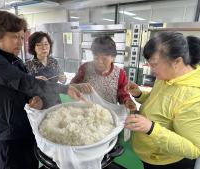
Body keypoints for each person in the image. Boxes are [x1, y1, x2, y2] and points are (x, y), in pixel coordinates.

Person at [0, 11, 82, 169]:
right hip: (7, 137)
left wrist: (36, 101)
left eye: (21, 37)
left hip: (26, 131)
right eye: (14, 37)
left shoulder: (16, 61)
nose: (19, 42)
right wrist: (64, 89)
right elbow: (24, 82)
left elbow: (26, 91)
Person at [125, 32, 200, 169]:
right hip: (149, 153)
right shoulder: (167, 76)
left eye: (154, 65)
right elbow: (160, 101)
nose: (152, 71)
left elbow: (193, 149)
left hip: (165, 162)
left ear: (177, 61)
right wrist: (139, 94)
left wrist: (151, 128)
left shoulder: (194, 97)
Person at [71, 36, 136, 111]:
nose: (99, 62)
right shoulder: (85, 68)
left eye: (104, 58)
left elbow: (123, 95)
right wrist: (78, 87)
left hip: (108, 114)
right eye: (96, 57)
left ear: (113, 57)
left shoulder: (120, 74)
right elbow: (70, 87)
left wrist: (127, 101)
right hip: (86, 112)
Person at [25, 31, 67, 105]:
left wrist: (63, 79)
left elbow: (63, 79)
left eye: (46, 44)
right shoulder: (28, 64)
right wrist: (35, 81)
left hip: (55, 100)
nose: (44, 48)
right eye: (39, 45)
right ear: (33, 47)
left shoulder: (53, 61)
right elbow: (25, 87)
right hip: (38, 103)